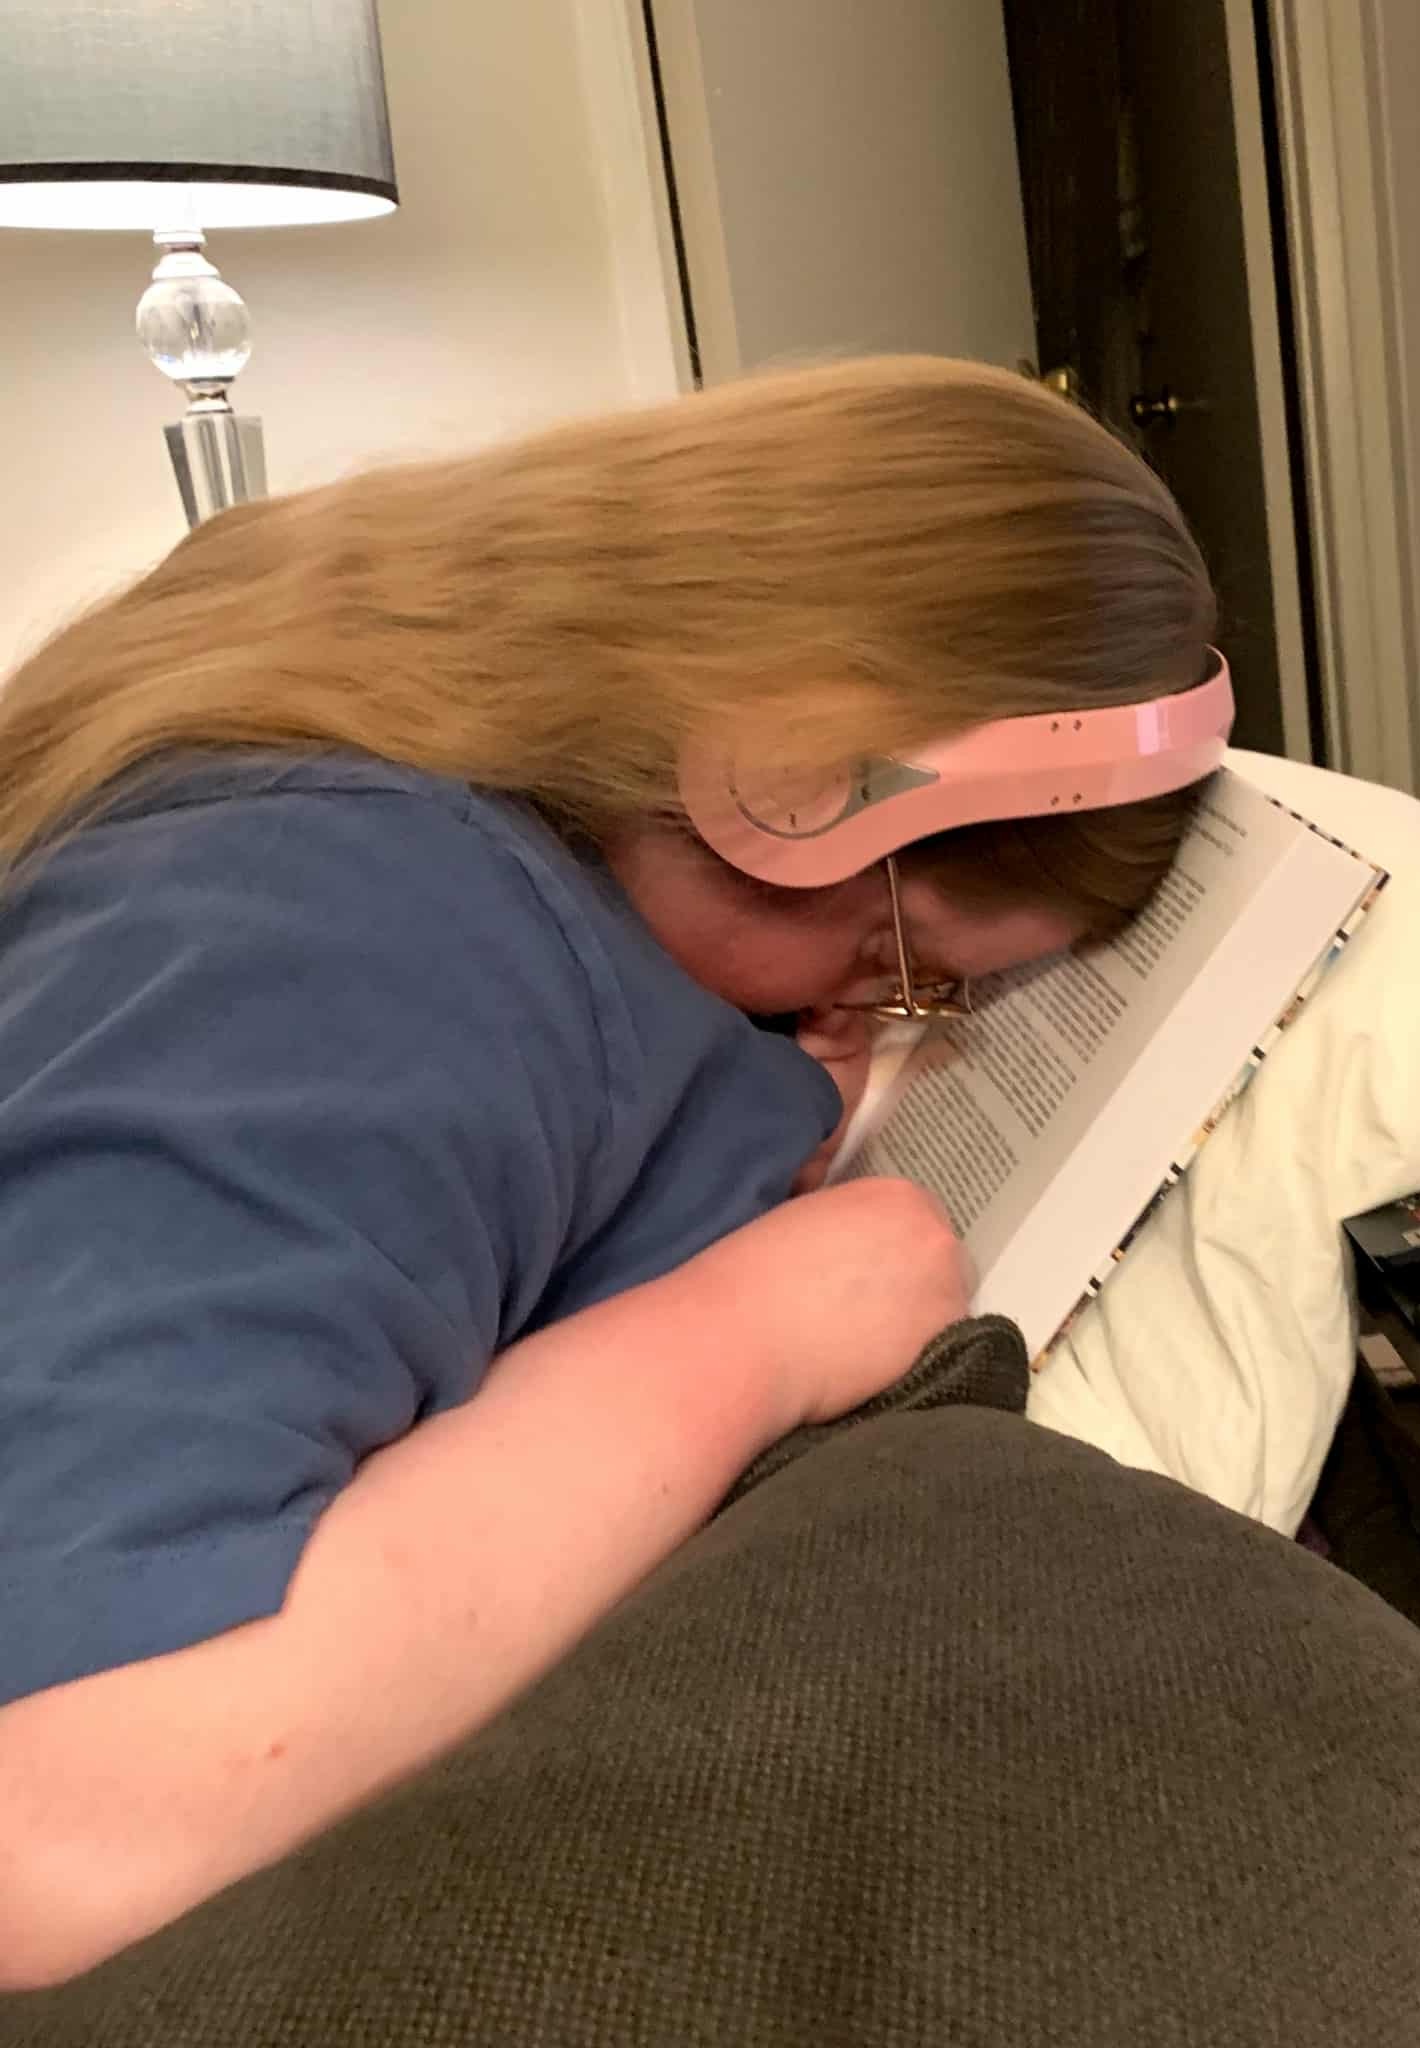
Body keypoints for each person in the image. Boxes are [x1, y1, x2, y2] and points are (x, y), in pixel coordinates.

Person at [0, 355, 1220, 1986]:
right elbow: (62, 1825)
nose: (881, 1014)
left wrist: (748, 1074)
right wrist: (745, 1337)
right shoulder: (345, 924)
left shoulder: (419, 763)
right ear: (780, 795)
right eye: (896, 958)